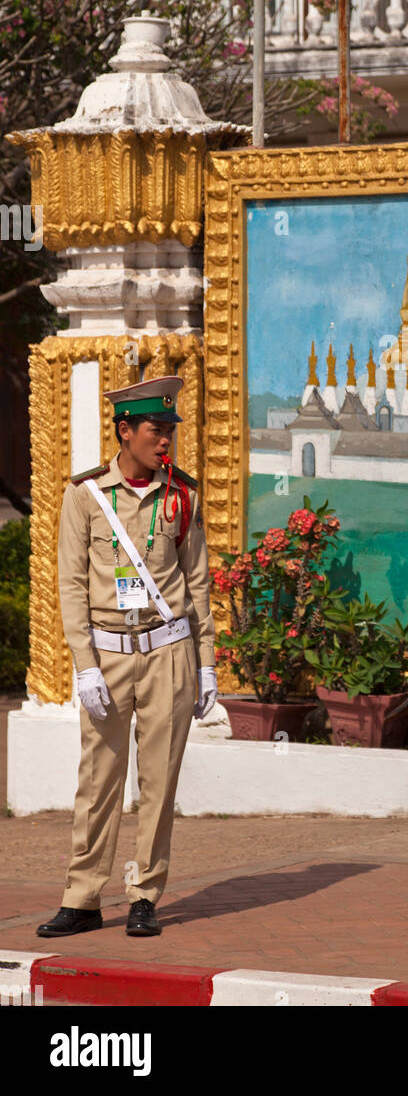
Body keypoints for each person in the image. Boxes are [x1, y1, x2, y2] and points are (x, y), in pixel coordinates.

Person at [37, 375, 217, 940]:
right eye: (155, 431)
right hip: (109, 658)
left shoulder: (182, 495)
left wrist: (207, 660)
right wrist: (83, 664)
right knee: (99, 780)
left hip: (169, 654)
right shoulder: (85, 495)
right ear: (125, 431)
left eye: (169, 432)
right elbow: (68, 586)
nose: (165, 442)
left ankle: (144, 895)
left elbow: (199, 582)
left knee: (159, 783)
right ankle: (83, 896)